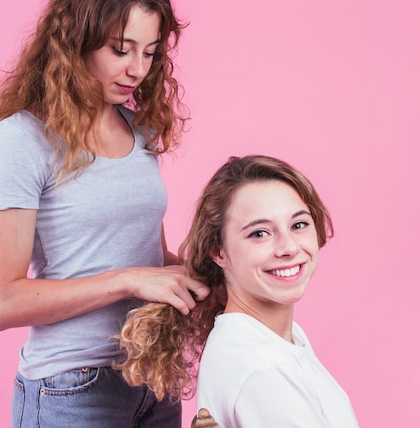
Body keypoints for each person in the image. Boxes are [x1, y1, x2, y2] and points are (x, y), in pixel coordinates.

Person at [0, 0, 210, 428]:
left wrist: (225, 279)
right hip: (72, 390)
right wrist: (127, 280)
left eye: (150, 52)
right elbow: (2, 303)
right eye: (121, 49)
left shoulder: (138, 130)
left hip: (152, 378)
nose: (138, 68)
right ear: (77, 39)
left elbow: (151, 257)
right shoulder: (22, 140)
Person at [118, 155, 360, 427]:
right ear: (218, 251)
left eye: (298, 225)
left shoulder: (276, 339)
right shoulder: (263, 369)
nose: (289, 247)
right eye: (259, 233)